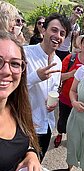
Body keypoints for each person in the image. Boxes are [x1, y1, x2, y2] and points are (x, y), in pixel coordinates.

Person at [24, 13, 71, 162]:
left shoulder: (58, 61)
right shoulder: (25, 53)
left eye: (62, 33)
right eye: (54, 30)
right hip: (25, 126)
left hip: (46, 126)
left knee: (38, 163)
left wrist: (53, 100)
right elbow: (11, 88)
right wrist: (35, 76)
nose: (58, 36)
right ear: (43, 30)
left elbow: (54, 88)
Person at [0, 31, 42, 171]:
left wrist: (31, 154)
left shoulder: (16, 107)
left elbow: (23, 142)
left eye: (15, 64)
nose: (6, 71)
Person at [54, 29, 84, 148]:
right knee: (63, 119)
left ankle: (71, 137)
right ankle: (60, 133)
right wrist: (72, 74)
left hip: (83, 101)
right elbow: (57, 77)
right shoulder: (71, 58)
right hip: (65, 97)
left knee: (76, 123)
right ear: (81, 43)